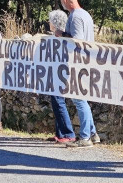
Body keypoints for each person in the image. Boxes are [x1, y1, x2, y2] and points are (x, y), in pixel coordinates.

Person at [55, 0, 100, 148]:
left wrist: (61, 34)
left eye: (61, 1)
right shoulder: (85, 14)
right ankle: (93, 134)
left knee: (79, 99)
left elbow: (77, 40)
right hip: (86, 62)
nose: (61, 4)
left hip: (78, 63)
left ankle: (85, 137)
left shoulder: (75, 17)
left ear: (66, 1)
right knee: (82, 99)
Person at [47, 9, 76, 143]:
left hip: (60, 72)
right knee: (56, 101)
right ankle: (59, 133)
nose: (48, 22)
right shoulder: (57, 35)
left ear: (54, 22)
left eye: (50, 21)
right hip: (56, 71)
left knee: (58, 101)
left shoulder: (61, 36)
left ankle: (68, 133)